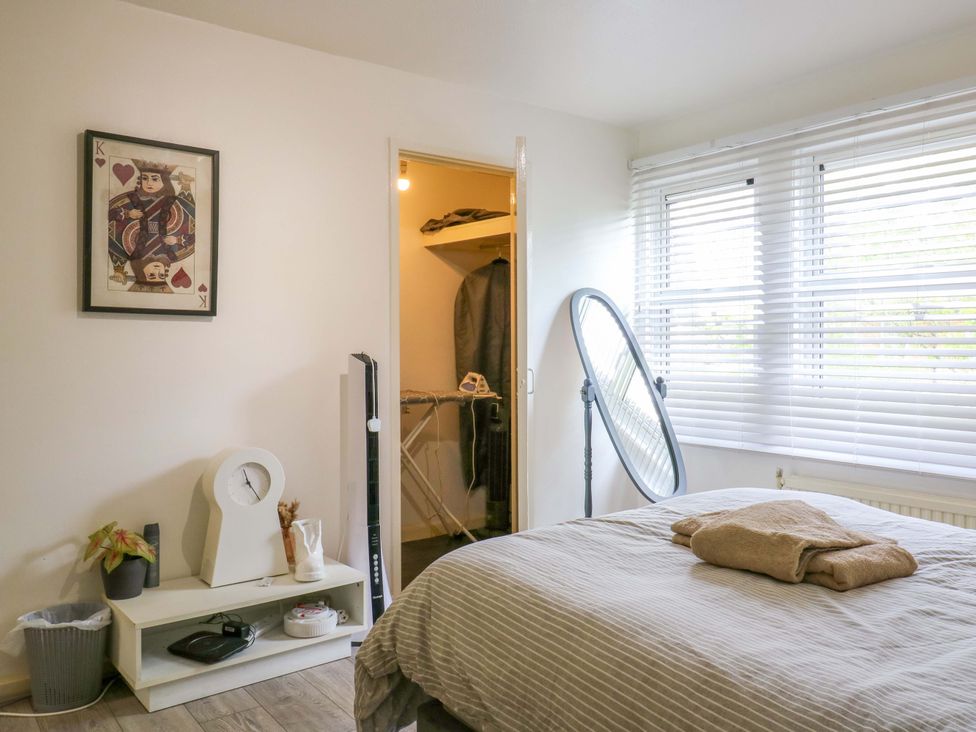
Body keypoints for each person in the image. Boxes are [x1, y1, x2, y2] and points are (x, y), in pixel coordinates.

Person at [108, 159, 195, 291]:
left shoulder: (134, 254)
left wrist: (127, 214)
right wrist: (177, 240)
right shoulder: (171, 254)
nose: (148, 183)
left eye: (154, 179)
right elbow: (193, 237)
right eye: (145, 178)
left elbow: (111, 223)